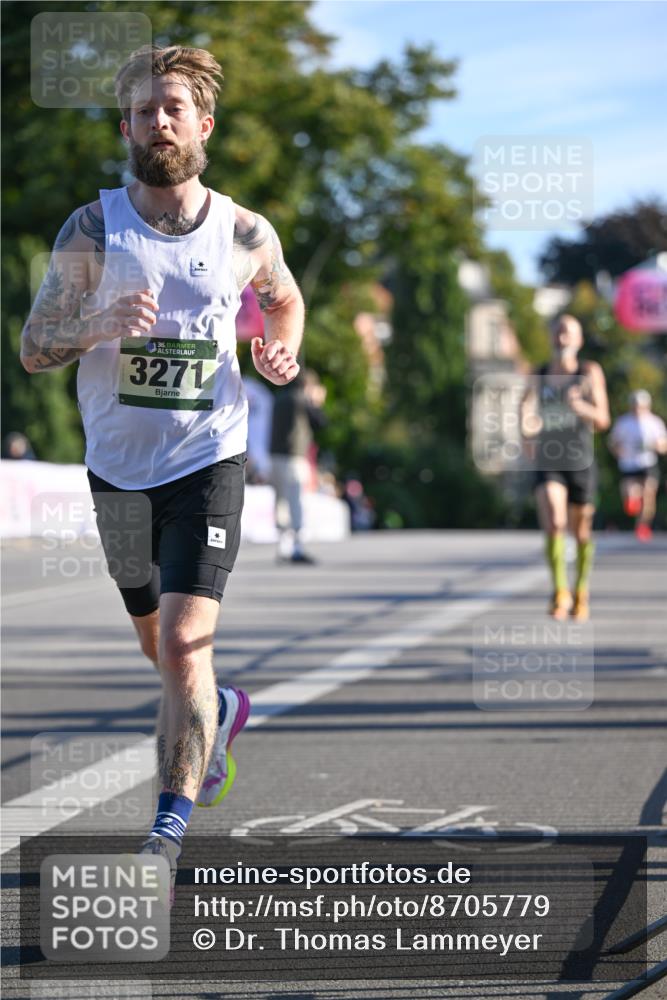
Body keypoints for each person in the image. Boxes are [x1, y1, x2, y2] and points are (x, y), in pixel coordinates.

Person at [20, 45, 304, 897]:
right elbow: (35, 348)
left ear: (203, 124)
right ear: (127, 128)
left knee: (185, 641)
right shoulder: (93, 228)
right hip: (117, 468)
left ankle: (166, 833)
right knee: (158, 640)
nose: (160, 122)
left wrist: (279, 347)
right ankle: (218, 714)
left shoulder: (246, 231)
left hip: (208, 458)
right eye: (144, 111)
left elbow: (283, 298)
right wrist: (97, 320)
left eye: (174, 107)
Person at [520, 314, 610, 621]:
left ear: (579, 340)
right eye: (558, 332)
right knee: (555, 521)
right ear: (551, 338)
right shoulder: (540, 373)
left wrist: (580, 406)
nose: (562, 338)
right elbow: (525, 409)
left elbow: (603, 420)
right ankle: (560, 590)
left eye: (568, 333)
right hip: (549, 459)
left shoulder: (588, 372)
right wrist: (526, 429)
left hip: (580, 460)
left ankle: (581, 590)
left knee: (581, 531)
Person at [269, 368, 326, 563]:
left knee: (281, 504)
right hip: (294, 457)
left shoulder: (279, 398)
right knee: (296, 503)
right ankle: (297, 548)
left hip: (275, 456)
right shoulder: (301, 399)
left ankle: (282, 547)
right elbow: (320, 422)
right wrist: (316, 401)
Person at [608, 390, 667, 541]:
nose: (638, 408)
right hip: (628, 463)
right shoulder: (623, 422)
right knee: (630, 494)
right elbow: (613, 443)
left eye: (641, 405)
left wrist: (659, 445)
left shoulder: (654, 422)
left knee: (648, 494)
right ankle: (633, 504)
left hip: (648, 463)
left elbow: (663, 444)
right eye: (635, 405)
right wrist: (618, 450)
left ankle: (642, 526)